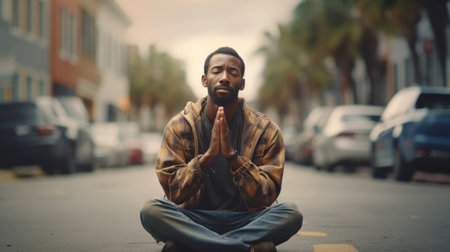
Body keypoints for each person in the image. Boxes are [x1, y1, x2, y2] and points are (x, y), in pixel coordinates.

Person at [140, 46, 303, 252]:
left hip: (246, 220)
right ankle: (237, 247)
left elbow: (267, 195)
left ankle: (201, 244)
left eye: (233, 72)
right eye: (217, 71)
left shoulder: (267, 130)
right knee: (150, 210)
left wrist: (233, 157)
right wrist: (206, 158)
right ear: (204, 80)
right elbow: (174, 192)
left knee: (291, 214)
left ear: (242, 83)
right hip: (196, 218)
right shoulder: (179, 125)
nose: (224, 77)